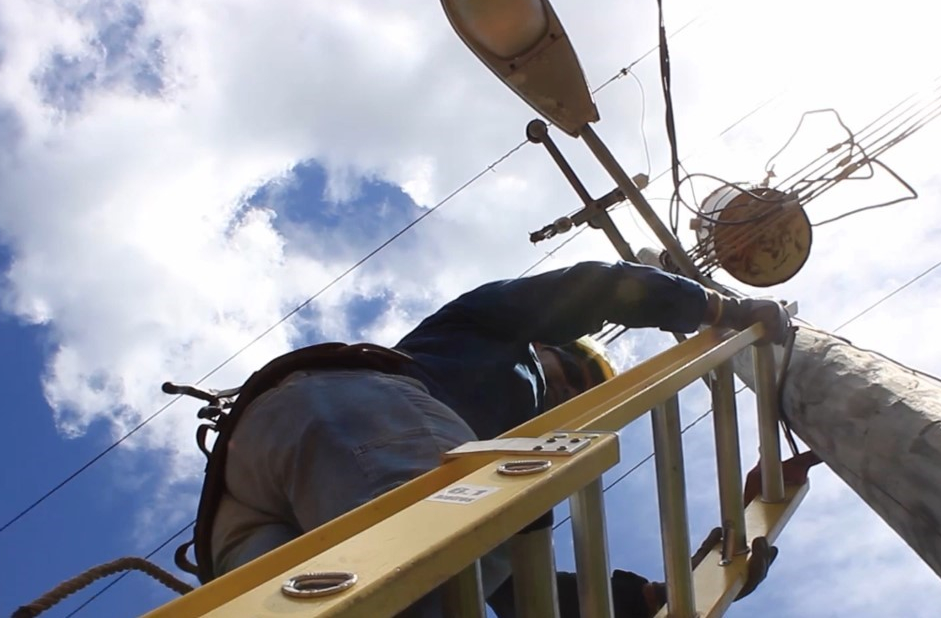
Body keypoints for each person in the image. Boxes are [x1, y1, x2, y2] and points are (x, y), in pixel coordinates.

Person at [199, 260, 788, 616]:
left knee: (443, 580)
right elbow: (595, 288)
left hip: (239, 504)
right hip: (345, 409)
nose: (570, 406)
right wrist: (717, 306)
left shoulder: (506, 461)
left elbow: (523, 596)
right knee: (432, 581)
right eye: (573, 383)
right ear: (548, 348)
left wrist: (687, 581)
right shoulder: (481, 336)